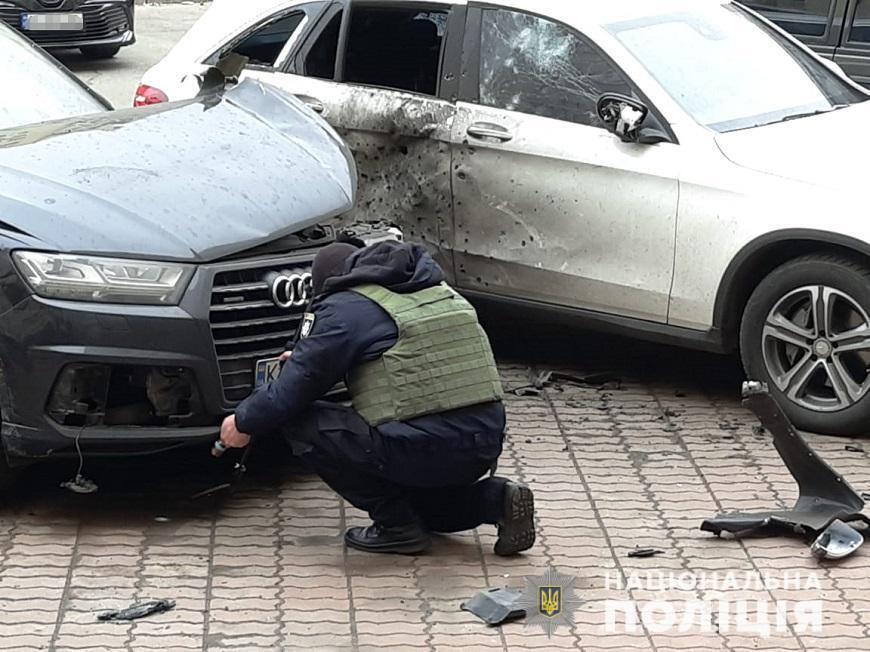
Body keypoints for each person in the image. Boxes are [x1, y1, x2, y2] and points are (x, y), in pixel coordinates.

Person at [219, 240, 535, 555]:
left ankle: (395, 525)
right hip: (483, 443)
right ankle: (497, 500)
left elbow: (293, 391)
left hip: (426, 449)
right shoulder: (436, 291)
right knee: (422, 510)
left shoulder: (345, 306)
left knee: (300, 421)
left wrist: (243, 420)